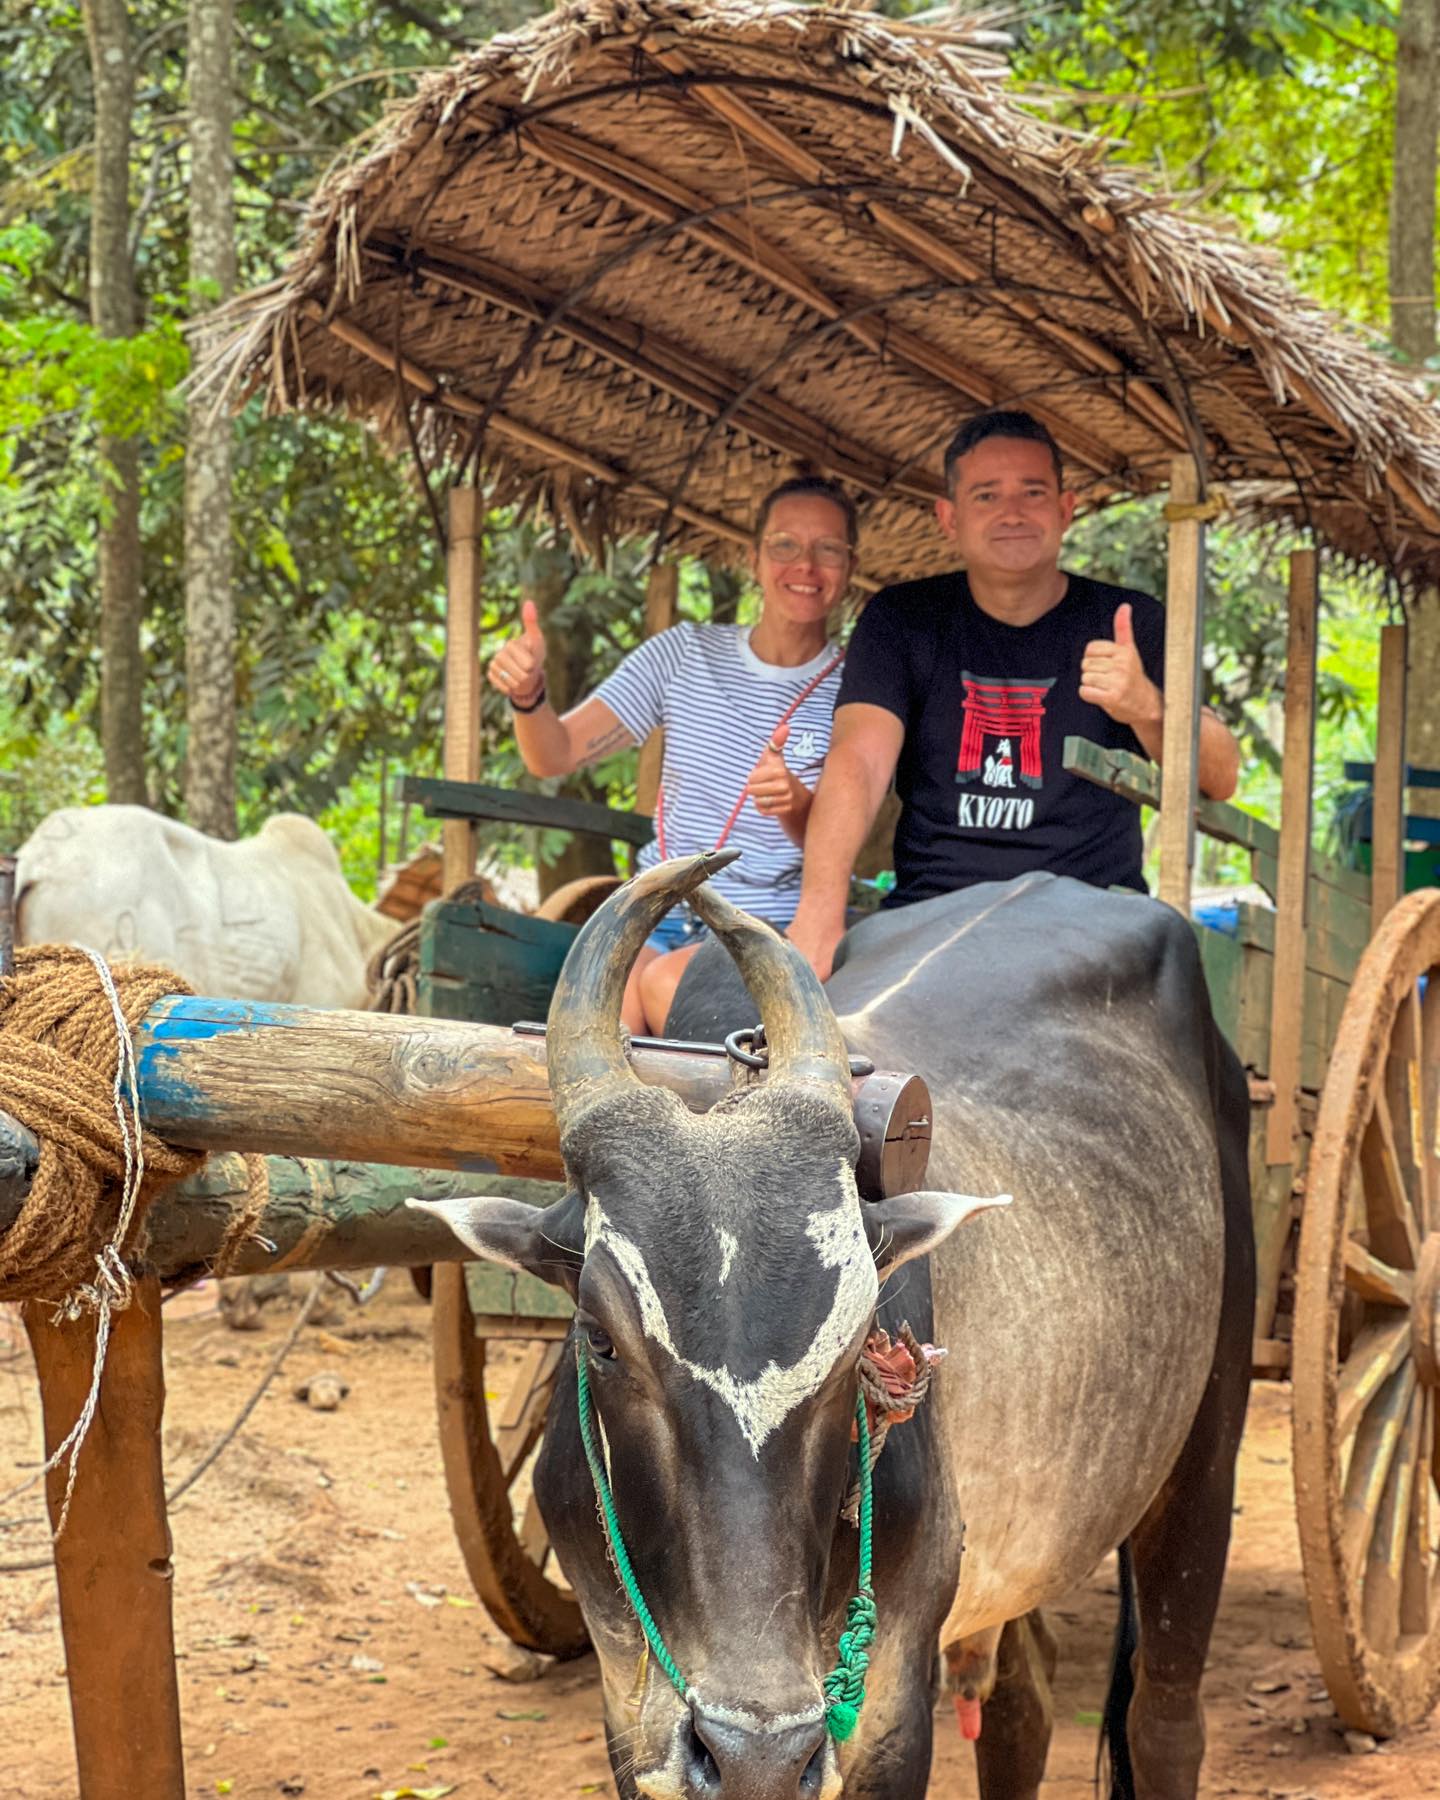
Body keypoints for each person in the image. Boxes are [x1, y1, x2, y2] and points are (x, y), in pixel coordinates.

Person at [786, 410, 1241, 981]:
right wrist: (818, 919)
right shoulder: (902, 619)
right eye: (986, 495)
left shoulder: (1130, 621)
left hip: (1092, 920)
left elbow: (1220, 775)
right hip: (930, 913)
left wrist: (1147, 707)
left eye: (1032, 492)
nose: (1012, 512)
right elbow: (857, 760)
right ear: (948, 518)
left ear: (1065, 509)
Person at [486, 476, 856, 1032]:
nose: (805, 565)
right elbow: (553, 754)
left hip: (762, 928)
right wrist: (527, 694)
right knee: (604, 1017)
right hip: (656, 913)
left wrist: (796, 805)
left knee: (663, 989)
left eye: (827, 548)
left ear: (849, 566)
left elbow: (840, 848)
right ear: (753, 559)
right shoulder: (685, 653)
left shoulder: (856, 689)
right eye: (784, 545)